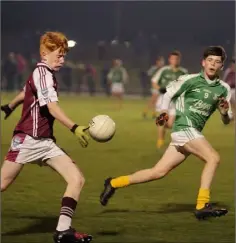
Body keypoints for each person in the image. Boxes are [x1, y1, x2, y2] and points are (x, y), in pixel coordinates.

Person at [100, 46, 232, 220]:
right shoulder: (190, 79)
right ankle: (202, 205)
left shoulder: (223, 89)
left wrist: (223, 112)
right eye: (209, 60)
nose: (212, 64)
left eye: (217, 61)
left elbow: (227, 119)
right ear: (203, 62)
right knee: (213, 158)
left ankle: (114, 183)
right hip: (184, 128)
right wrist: (163, 112)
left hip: (190, 134)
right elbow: (167, 94)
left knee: (158, 172)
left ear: (222, 66)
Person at [1, 32, 93, 243]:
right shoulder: (43, 74)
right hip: (28, 139)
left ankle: (63, 231)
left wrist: (10, 105)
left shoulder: (43, 74)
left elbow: (26, 91)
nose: (63, 60)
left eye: (64, 56)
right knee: (3, 183)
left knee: (76, 179)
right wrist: (74, 127)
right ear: (45, 53)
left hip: (44, 141)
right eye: (59, 55)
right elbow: (51, 107)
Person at [152, 51, 188, 149]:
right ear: (169, 59)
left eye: (176, 59)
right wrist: (160, 88)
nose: (174, 61)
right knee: (162, 120)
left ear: (179, 60)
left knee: (170, 124)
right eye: (172, 59)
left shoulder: (183, 72)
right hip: (164, 99)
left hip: (176, 101)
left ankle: (162, 127)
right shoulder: (164, 70)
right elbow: (154, 81)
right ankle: (160, 141)